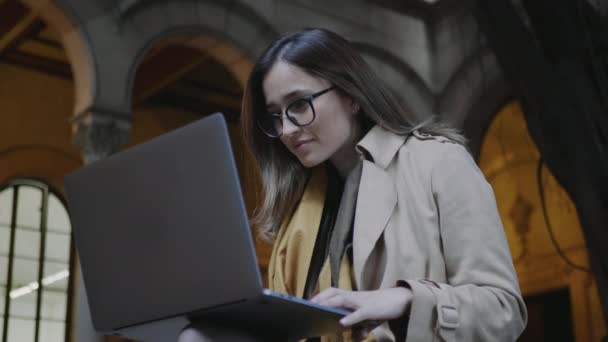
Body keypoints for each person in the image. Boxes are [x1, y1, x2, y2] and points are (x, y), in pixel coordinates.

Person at [180, 28, 527, 342]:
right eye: (275, 115)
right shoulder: (297, 205)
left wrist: (406, 299)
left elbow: (503, 310)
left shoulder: (438, 162)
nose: (286, 129)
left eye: (299, 105)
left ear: (351, 95)